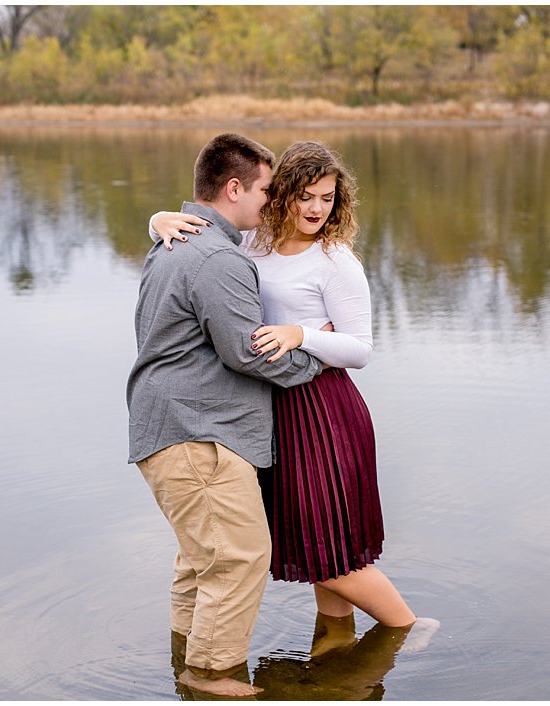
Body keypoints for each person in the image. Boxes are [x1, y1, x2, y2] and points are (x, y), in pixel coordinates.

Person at [151, 141, 439, 657]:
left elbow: (360, 349)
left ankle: (412, 629)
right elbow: (204, 241)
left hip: (322, 409)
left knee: (330, 550)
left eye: (327, 198)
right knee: (320, 539)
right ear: (280, 193)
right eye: (306, 195)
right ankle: (335, 650)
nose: (315, 209)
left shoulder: (334, 260)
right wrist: (158, 221)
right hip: (273, 405)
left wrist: (300, 335)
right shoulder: (252, 245)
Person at [127, 133, 324, 697]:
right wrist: (318, 356)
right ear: (234, 188)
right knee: (240, 557)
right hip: (198, 433)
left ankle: (185, 664)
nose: (274, 202)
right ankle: (211, 677)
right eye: (266, 191)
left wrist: (156, 219)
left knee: (201, 561)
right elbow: (247, 350)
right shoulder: (216, 255)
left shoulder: (171, 243)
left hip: (167, 428)